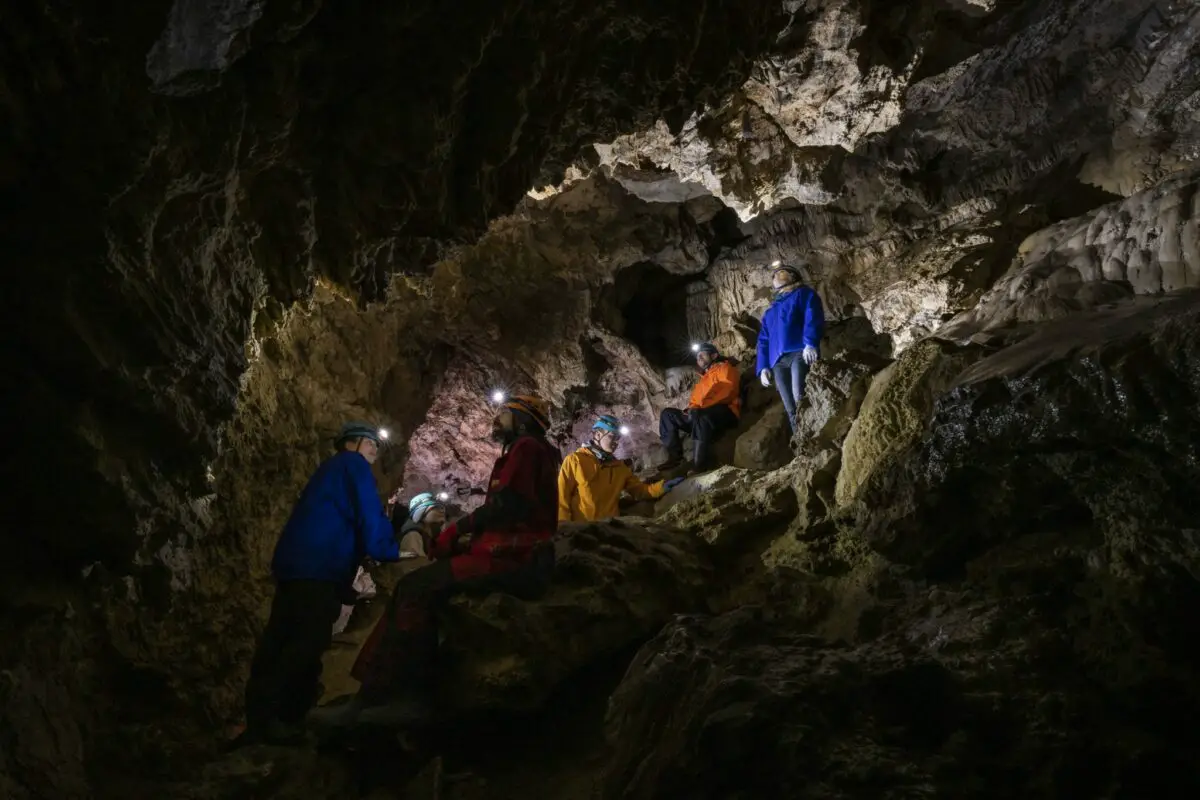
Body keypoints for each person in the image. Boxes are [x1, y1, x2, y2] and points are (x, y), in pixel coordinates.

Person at [311, 395, 561, 730]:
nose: (497, 418)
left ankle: (399, 696)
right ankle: (375, 695)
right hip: (516, 554)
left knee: (415, 588)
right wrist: (468, 539)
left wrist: (458, 529)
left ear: (523, 420)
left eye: (506, 414)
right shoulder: (528, 452)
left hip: (517, 559)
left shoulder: (527, 448)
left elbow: (508, 506)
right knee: (416, 587)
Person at [237, 422, 402, 747]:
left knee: (279, 641)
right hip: (319, 568)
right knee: (305, 645)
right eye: (371, 443)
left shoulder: (328, 470)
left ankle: (259, 722)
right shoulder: (353, 466)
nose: (375, 450)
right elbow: (368, 514)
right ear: (352, 443)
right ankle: (283, 721)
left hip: (297, 568)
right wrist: (388, 550)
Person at [559, 415, 683, 522]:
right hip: (582, 531)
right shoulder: (575, 460)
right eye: (612, 436)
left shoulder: (619, 467)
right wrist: (564, 528)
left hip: (609, 530)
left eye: (617, 438)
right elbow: (561, 498)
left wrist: (661, 488)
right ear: (597, 434)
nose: (615, 442)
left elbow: (640, 491)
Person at [757, 261, 825, 431]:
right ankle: (802, 442)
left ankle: (816, 433)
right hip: (778, 362)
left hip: (799, 352)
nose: (776, 276)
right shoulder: (770, 312)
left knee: (800, 395)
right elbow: (763, 340)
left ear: (793, 277)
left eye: (781, 273)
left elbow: (812, 316)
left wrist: (810, 343)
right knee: (789, 406)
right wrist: (763, 366)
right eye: (774, 275)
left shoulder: (803, 294)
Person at [659, 343, 741, 472]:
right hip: (700, 414)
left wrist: (700, 409)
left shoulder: (725, 368)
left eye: (702, 354)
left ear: (714, 355)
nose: (699, 357)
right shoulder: (703, 380)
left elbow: (728, 391)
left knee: (701, 416)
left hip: (725, 411)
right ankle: (675, 458)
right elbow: (694, 402)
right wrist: (690, 410)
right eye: (697, 356)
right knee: (668, 414)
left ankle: (699, 464)